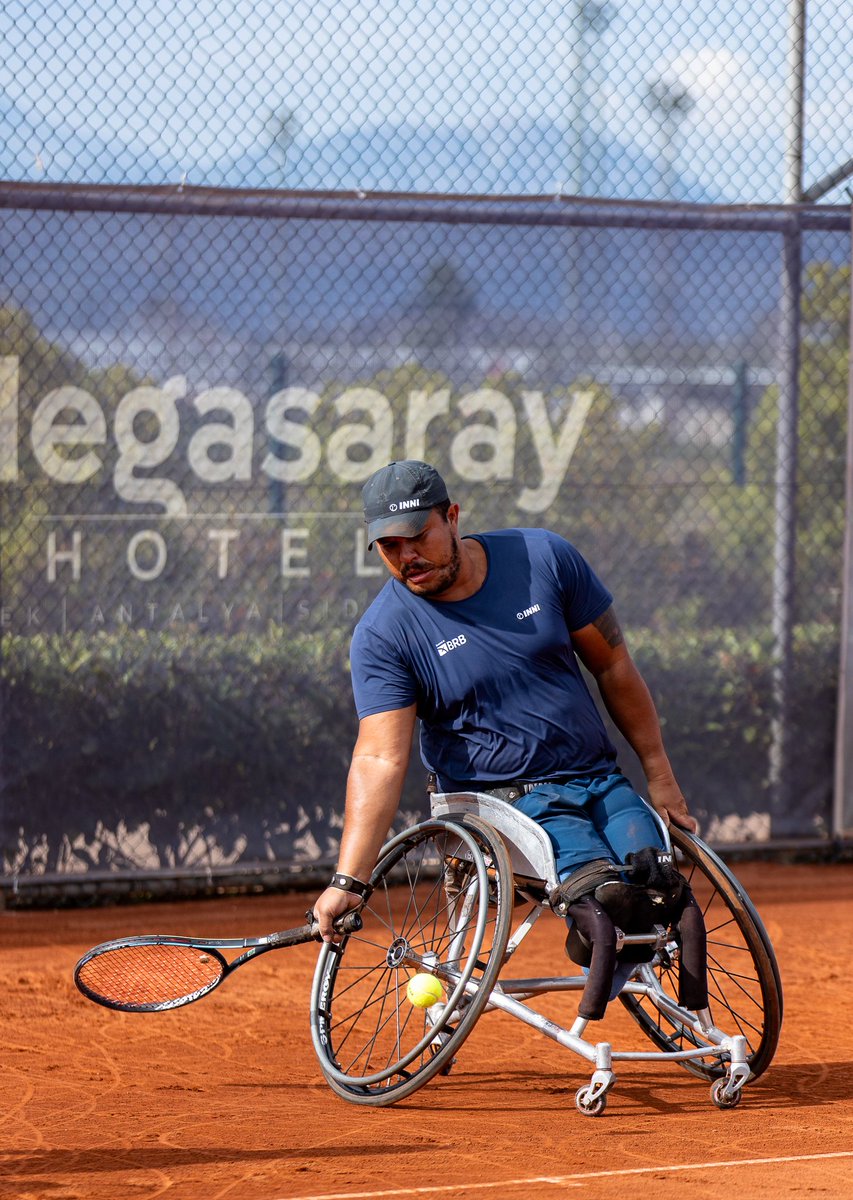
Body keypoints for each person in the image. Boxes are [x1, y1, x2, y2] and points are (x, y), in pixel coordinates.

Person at [312, 460, 702, 1011]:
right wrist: (348, 880)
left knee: (662, 886)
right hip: (501, 803)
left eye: (418, 537)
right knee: (608, 898)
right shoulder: (384, 634)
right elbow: (378, 757)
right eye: (389, 546)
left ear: (452, 516)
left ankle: (695, 1020)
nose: (406, 558)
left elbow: (614, 667)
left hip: (599, 779)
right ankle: (596, 952)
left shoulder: (544, 557)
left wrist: (660, 777)